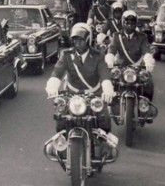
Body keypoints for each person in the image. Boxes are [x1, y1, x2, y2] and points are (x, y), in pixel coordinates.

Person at [45, 23, 115, 157]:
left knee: (104, 118)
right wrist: (52, 87)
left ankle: (104, 145)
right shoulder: (66, 55)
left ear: (88, 40)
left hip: (93, 94)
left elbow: (105, 74)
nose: (78, 42)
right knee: (61, 117)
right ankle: (61, 144)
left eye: (81, 39)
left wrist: (107, 89)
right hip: (72, 94)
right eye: (75, 39)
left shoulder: (98, 56)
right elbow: (57, 72)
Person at [104, 11, 156, 101]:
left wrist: (148, 61)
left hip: (137, 67)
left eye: (132, 21)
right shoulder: (117, 36)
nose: (129, 24)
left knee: (148, 83)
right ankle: (111, 106)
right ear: (123, 22)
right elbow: (111, 50)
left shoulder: (142, 36)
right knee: (110, 82)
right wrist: (109, 60)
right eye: (127, 21)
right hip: (120, 67)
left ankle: (145, 106)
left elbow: (146, 50)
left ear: (136, 23)